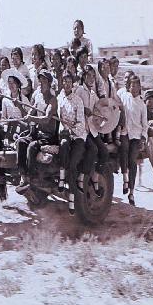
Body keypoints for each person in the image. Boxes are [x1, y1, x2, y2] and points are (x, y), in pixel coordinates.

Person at [16, 71, 58, 192]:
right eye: (40, 80)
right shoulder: (37, 97)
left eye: (44, 80)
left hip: (48, 136)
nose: (41, 82)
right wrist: (19, 106)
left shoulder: (52, 100)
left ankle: (31, 177)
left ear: (49, 83)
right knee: (21, 142)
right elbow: (28, 115)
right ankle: (23, 176)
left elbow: (46, 119)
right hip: (37, 134)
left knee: (32, 146)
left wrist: (31, 118)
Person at [57, 73, 88, 214]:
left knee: (72, 165)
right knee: (63, 144)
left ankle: (72, 200)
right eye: (65, 81)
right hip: (65, 133)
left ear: (73, 84)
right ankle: (61, 178)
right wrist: (65, 129)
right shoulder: (59, 98)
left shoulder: (78, 100)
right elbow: (58, 117)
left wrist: (71, 129)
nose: (67, 84)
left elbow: (81, 123)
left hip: (78, 135)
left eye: (69, 81)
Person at [76, 66, 107, 197]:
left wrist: (101, 116)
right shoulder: (79, 90)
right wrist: (83, 109)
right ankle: (81, 178)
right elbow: (73, 105)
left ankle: (95, 177)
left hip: (92, 130)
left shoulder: (93, 94)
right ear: (84, 77)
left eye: (93, 76)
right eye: (88, 76)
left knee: (104, 151)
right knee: (93, 149)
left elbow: (97, 110)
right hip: (82, 129)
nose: (91, 79)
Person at [117, 75, 147, 205]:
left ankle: (131, 192)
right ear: (128, 87)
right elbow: (117, 102)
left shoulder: (142, 104)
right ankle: (125, 179)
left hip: (136, 135)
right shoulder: (124, 97)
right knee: (123, 149)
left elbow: (144, 124)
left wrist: (143, 138)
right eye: (131, 85)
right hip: (125, 132)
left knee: (132, 161)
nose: (133, 88)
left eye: (136, 86)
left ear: (139, 87)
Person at [0, 69, 29, 139]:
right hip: (8, 128)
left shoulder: (24, 100)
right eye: (9, 82)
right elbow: (3, 117)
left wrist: (19, 107)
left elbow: (28, 118)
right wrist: (5, 123)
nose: (11, 85)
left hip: (20, 129)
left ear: (18, 84)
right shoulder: (5, 99)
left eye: (13, 83)